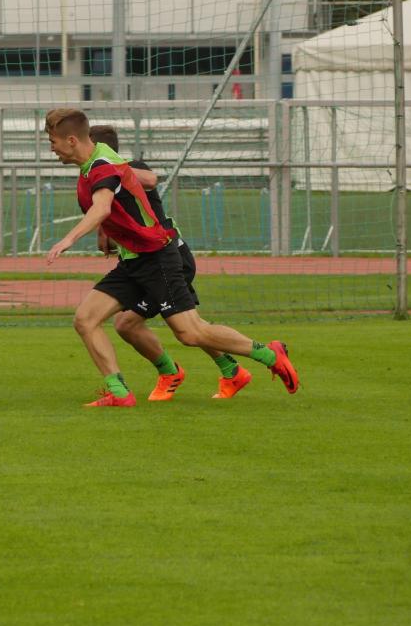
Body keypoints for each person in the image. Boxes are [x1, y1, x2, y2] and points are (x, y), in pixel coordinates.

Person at [44, 108, 299, 406]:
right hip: (133, 261)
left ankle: (269, 354)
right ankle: (119, 392)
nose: (51, 148)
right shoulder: (93, 162)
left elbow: (102, 207)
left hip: (157, 258)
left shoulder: (102, 166)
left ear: (72, 140)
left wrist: (68, 239)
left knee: (191, 333)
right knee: (86, 319)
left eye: (52, 141)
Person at [89, 124, 251, 401]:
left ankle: (177, 372)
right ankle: (229, 370)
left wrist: (103, 227)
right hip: (146, 263)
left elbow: (147, 191)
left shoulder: (130, 170)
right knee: (178, 325)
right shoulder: (104, 181)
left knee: (170, 327)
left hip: (165, 258)